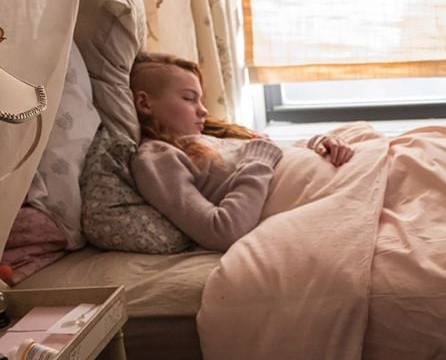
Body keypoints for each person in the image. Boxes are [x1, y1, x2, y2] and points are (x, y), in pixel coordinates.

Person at [129, 53, 353, 251]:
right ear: (144, 103)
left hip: (338, 169)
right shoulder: (158, 157)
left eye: (201, 99)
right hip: (328, 192)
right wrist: (258, 161)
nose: (204, 110)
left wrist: (320, 143)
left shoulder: (209, 138)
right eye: (189, 98)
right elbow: (221, 231)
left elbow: (274, 154)